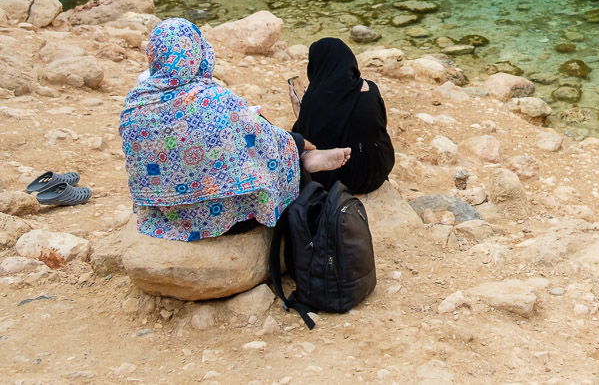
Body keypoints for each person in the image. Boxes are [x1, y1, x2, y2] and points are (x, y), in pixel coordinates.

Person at [120, 18, 350, 241]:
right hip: (227, 218)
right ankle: (303, 157)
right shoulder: (214, 99)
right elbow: (259, 138)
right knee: (258, 134)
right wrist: (297, 141)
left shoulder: (134, 105)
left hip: (164, 216)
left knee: (242, 128)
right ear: (197, 53)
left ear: (153, 54)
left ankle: (301, 153)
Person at [292, 37, 395, 195]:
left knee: (299, 150)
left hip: (340, 176)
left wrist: (302, 108)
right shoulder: (371, 88)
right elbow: (381, 124)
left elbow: (308, 140)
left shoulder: (314, 99)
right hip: (378, 168)